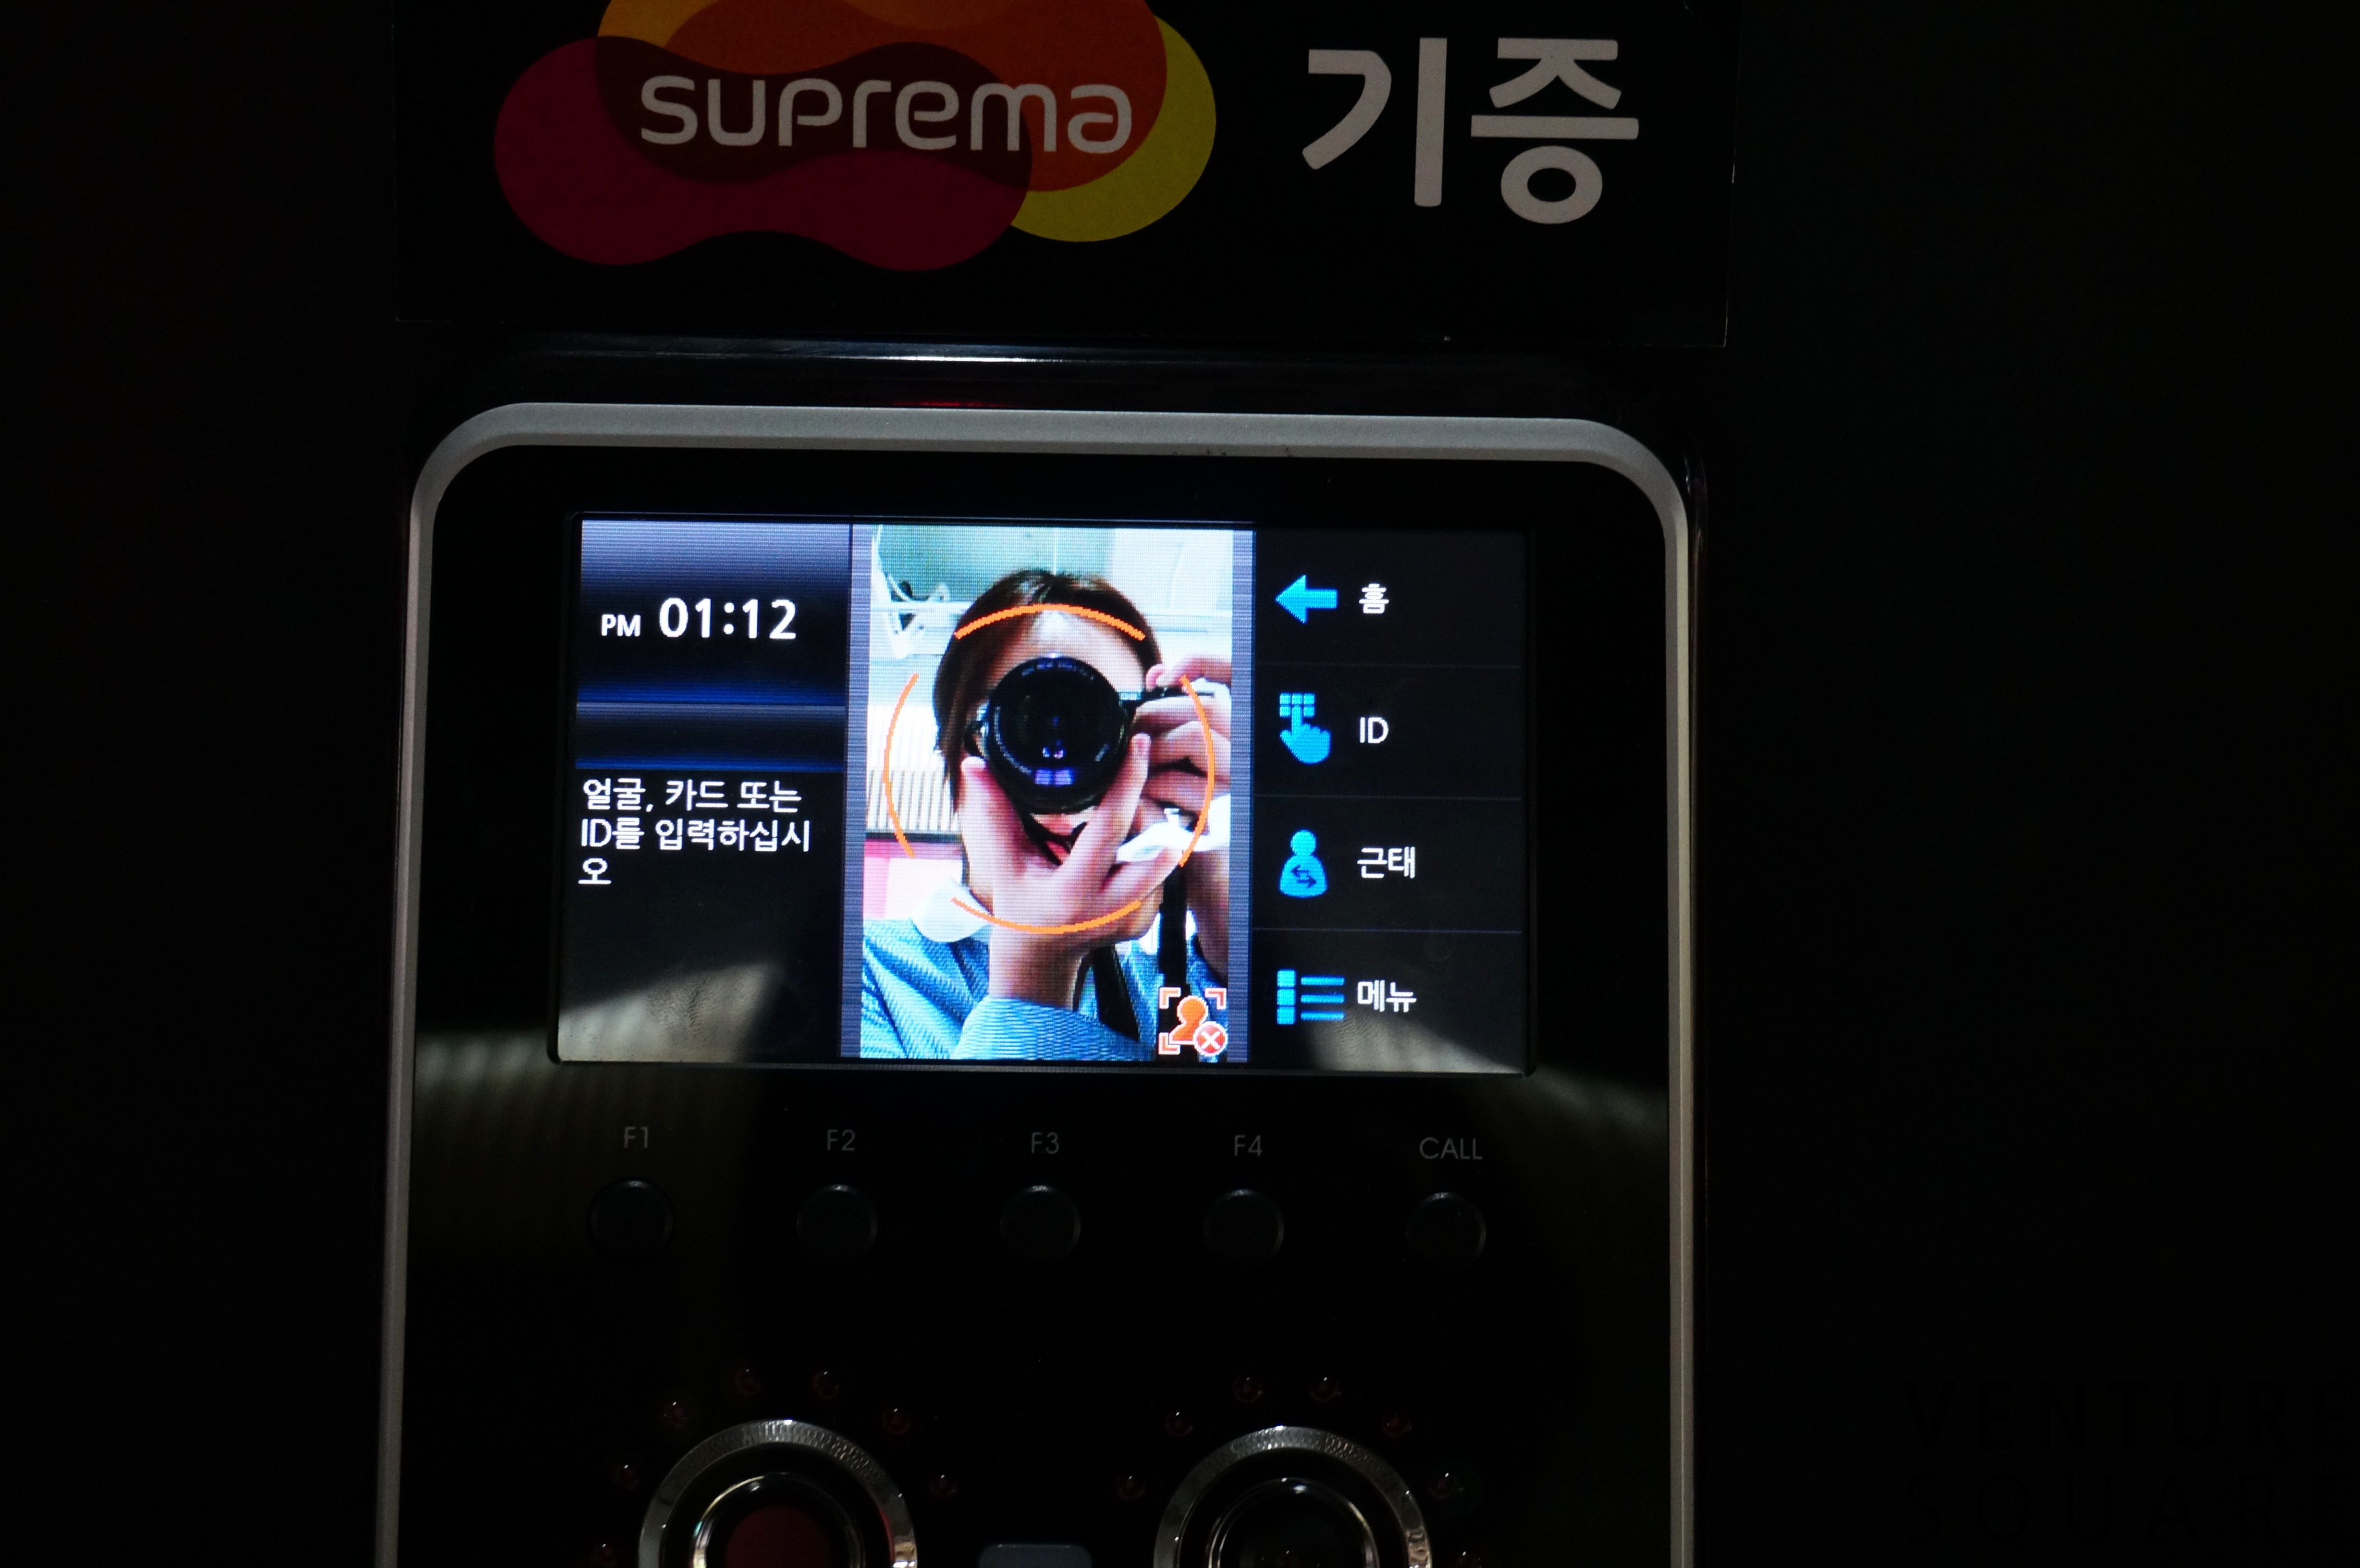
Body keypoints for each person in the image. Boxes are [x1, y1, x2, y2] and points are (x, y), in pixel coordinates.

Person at [861, 569, 1232, 1060]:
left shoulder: (1187, 992)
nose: (1060, 780)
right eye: (1020, 733)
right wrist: (1033, 974)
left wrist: (1235, 912)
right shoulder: (860, 971)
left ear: (1155, 745)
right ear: (953, 763)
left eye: (1099, 733)